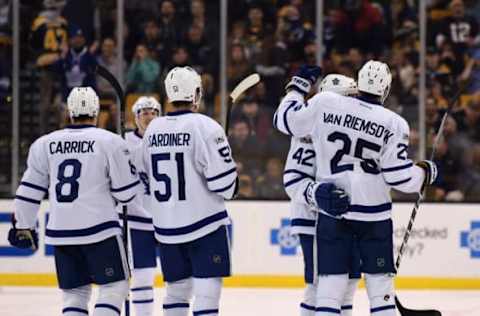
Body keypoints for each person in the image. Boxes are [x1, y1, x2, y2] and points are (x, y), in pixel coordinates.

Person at [274, 61, 438, 316]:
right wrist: (425, 173)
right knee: (372, 288)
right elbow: (398, 176)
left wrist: (296, 88)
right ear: (386, 89)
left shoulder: (324, 104)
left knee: (332, 287)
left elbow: (285, 120)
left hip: (334, 216)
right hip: (371, 217)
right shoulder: (394, 123)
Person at [8, 87, 139, 316]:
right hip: (101, 231)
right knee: (115, 286)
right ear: (96, 111)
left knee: (75, 294)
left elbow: (29, 190)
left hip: (62, 232)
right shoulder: (109, 141)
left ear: (69, 111)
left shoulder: (44, 144)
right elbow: (126, 194)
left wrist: (23, 225)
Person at [138, 66, 238, 316]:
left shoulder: (153, 129)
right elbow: (226, 186)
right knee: (206, 293)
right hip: (204, 225)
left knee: (176, 293)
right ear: (196, 93)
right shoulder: (206, 127)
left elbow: (143, 174)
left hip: (166, 228)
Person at [283, 74, 359, 316]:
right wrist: (318, 194)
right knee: (318, 288)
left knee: (347, 286)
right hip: (314, 221)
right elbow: (293, 180)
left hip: (344, 221)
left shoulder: (353, 130)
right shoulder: (308, 132)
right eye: (349, 98)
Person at [122, 96, 162, 316]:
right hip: (137, 220)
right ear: (135, 117)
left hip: (165, 219)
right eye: (144, 113)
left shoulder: (166, 139)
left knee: (178, 279)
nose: (149, 117)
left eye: (154, 112)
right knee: (142, 276)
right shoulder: (123, 141)